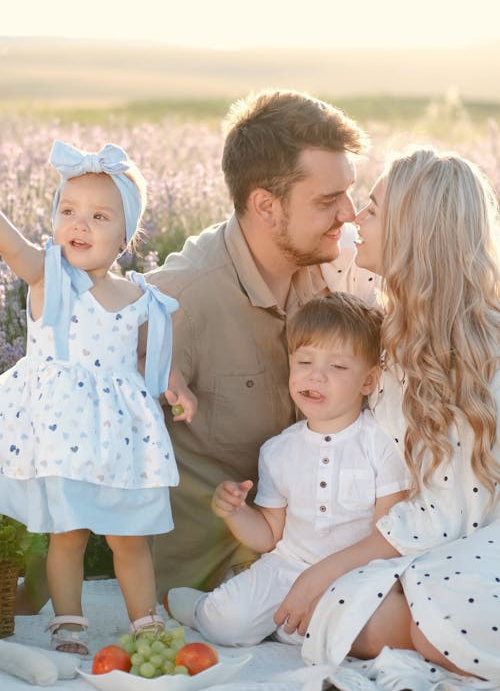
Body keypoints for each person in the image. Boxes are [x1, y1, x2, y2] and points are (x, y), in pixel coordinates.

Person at [273, 148, 500, 683]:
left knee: (411, 620)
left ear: (412, 235)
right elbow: (313, 239)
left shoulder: (470, 353)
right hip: (420, 549)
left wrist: (327, 567)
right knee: (343, 619)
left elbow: (450, 515)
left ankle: (429, 640)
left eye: (371, 210)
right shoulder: (381, 302)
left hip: (469, 539)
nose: (353, 217)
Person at [147, 89, 379, 595]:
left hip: (312, 562)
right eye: (326, 201)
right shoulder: (179, 300)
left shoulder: (325, 277)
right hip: (209, 584)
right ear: (265, 206)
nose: (348, 214)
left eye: (349, 193)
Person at [0, 140, 196, 654]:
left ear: (126, 236)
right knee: (69, 534)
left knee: (129, 536)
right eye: (68, 212)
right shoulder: (48, 276)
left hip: (118, 439)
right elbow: (11, 243)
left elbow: (146, 359)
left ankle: (144, 621)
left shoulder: (138, 296)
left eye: (99, 216)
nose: (79, 225)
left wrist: (176, 385)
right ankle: (69, 621)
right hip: (63, 435)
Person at [166, 292, 409, 646]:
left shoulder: (380, 442)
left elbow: (389, 535)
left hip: (356, 572)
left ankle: (288, 625)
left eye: (338, 367)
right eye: (305, 362)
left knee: (362, 624)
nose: (316, 377)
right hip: (288, 566)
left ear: (369, 381)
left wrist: (329, 576)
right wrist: (235, 512)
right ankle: (203, 608)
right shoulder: (279, 450)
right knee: (227, 624)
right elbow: (268, 536)